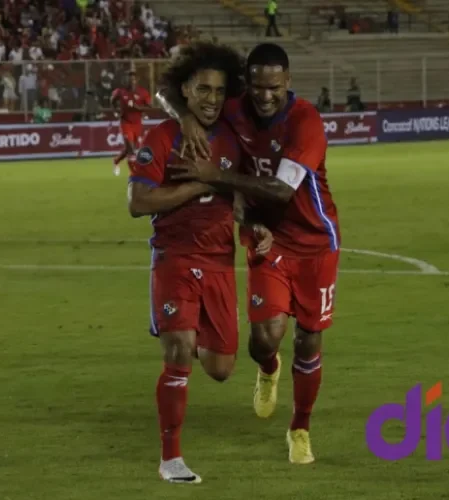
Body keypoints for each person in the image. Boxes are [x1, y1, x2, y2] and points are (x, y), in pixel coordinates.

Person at [156, 42, 340, 466]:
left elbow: (280, 189)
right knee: (262, 340)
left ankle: (299, 429)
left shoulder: (305, 122)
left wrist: (214, 175)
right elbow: (166, 92)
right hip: (266, 237)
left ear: (287, 82)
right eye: (256, 87)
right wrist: (184, 117)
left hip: (315, 244)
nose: (265, 96)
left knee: (309, 341)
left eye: (273, 87)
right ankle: (269, 368)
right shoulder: (236, 108)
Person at [128, 42, 273, 484]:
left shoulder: (232, 138)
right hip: (174, 257)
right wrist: (195, 186)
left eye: (218, 90)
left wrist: (253, 230)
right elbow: (137, 202)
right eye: (202, 89)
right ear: (185, 91)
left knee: (222, 368)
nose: (210, 98)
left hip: (218, 264)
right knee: (177, 356)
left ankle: (185, 330)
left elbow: (239, 200)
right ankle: (171, 459)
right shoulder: (163, 137)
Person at [111, 71, 152, 176]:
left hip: (137, 124)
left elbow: (149, 107)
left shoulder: (143, 92)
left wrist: (137, 108)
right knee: (131, 149)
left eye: (133, 79)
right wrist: (116, 111)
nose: (131, 82)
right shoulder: (120, 91)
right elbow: (112, 101)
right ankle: (134, 173)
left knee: (130, 148)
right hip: (125, 122)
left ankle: (116, 161)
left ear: (136, 80)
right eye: (129, 80)